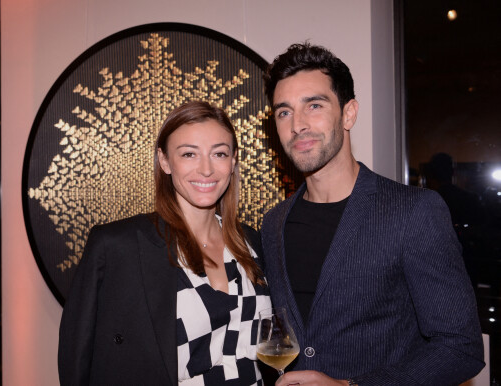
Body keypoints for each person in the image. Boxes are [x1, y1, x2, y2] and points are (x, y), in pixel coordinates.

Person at [260, 42, 484, 385]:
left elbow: (461, 349)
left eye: (314, 106)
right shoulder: (274, 223)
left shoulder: (413, 211)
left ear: (348, 113)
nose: (298, 125)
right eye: (284, 112)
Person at [58, 101, 272, 385]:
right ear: (165, 161)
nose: (206, 169)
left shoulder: (253, 243)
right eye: (189, 154)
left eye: (219, 153)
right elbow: (77, 361)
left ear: (233, 162)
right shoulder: (118, 247)